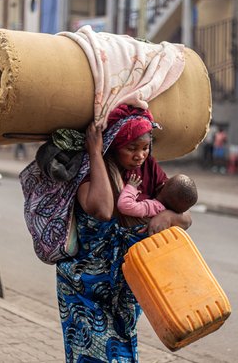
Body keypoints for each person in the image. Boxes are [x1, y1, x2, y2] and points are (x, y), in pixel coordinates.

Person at [56, 104, 192, 362]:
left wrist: (168, 216)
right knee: (92, 351)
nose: (140, 155)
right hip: (84, 284)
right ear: (112, 143)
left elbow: (185, 217)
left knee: (124, 344)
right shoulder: (88, 168)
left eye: (145, 147)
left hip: (127, 280)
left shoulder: (149, 168)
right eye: (131, 148)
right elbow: (103, 210)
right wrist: (95, 153)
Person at [118, 173, 197, 218]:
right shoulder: (173, 216)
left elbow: (125, 206)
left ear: (162, 186)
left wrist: (131, 188)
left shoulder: (153, 207)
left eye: (167, 181)